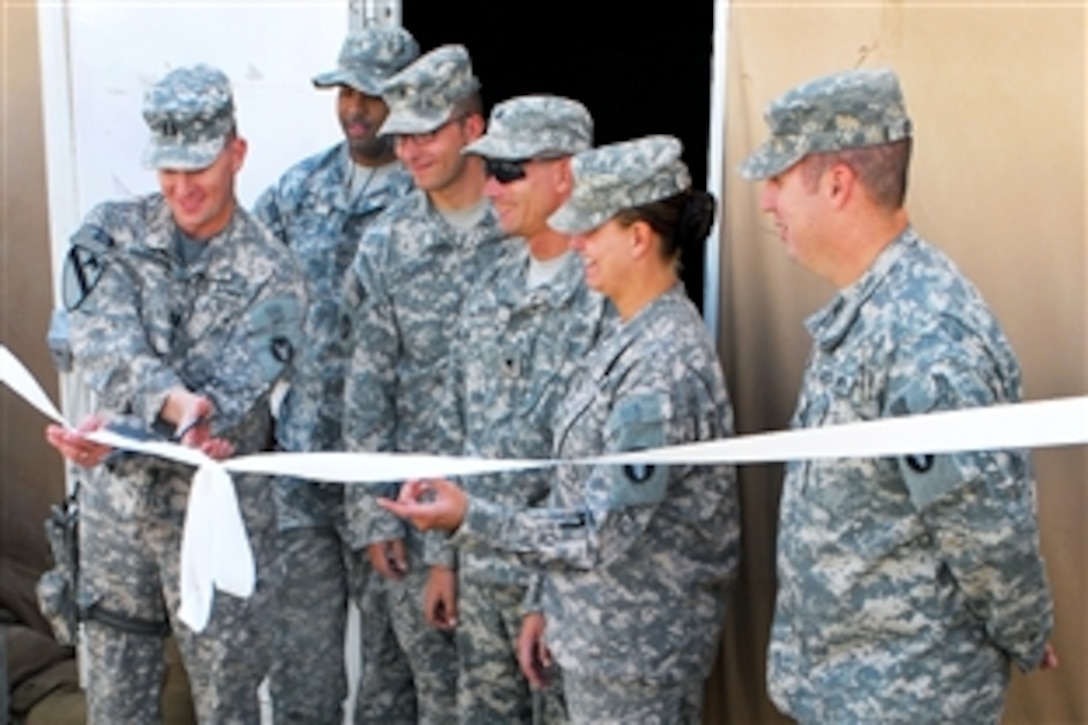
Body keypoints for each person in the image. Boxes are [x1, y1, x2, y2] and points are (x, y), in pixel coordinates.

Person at [381, 135, 741, 725]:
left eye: (592, 231)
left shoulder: (662, 364)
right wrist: (545, 603)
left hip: (636, 658)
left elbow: (600, 529)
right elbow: (577, 488)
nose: (577, 245)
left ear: (638, 238)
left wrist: (469, 518)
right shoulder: (628, 339)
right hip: (597, 639)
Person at [737, 67, 1057, 722]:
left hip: (906, 697)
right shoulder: (876, 312)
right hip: (851, 690)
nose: (766, 202)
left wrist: (1025, 626)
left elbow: (985, 530)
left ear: (836, 184)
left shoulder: (921, 333)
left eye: (777, 180)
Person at [50, 64, 307, 723]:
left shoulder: (277, 276)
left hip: (213, 522)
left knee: (228, 701)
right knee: (114, 701)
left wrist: (145, 424)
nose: (182, 186)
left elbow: (228, 398)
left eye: (199, 166)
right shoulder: (109, 234)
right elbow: (104, 343)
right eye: (168, 167)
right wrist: (144, 416)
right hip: (118, 518)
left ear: (236, 153)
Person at [251, 26, 419, 724]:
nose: (355, 107)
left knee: (392, 681)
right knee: (301, 675)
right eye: (346, 90)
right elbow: (243, 281)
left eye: (373, 93)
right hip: (303, 471)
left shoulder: (427, 197)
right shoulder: (301, 187)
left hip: (388, 479)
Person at [340, 44, 511, 723]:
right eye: (401, 135)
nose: (409, 151)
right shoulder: (387, 243)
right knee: (439, 700)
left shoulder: (525, 229)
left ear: (474, 129)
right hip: (414, 517)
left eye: (427, 133)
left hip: (510, 523)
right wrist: (368, 510)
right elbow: (368, 386)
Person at [433, 94, 610, 723]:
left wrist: (543, 592)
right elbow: (459, 426)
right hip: (482, 576)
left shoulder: (608, 298)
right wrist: (442, 557)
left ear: (566, 174)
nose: (492, 188)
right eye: (489, 169)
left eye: (510, 171)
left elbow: (591, 478)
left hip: (563, 590)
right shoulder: (489, 286)